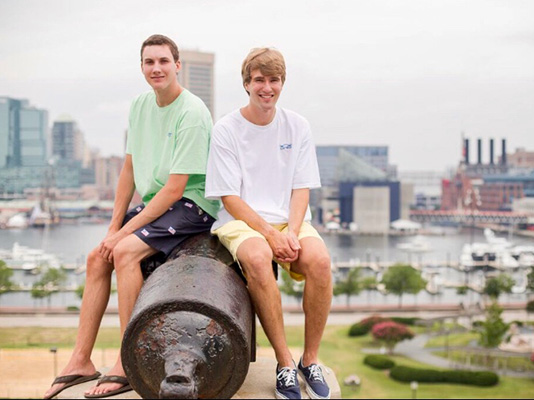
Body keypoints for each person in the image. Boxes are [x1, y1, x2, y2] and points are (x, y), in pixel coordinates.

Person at [43, 34, 218, 399]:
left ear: (177, 65)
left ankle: (127, 360)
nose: (156, 68)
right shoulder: (140, 105)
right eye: (149, 62)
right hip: (159, 202)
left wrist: (122, 236)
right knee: (98, 256)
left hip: (192, 204)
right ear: (141, 67)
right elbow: (128, 170)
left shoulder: (193, 112)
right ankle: (80, 360)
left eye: (163, 61)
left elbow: (175, 188)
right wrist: (112, 227)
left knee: (123, 252)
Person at [205, 47, 332, 400]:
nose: (267, 87)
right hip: (241, 221)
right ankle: (285, 364)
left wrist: (291, 232)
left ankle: (310, 360)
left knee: (320, 262)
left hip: (288, 220)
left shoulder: (297, 125)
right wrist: (269, 235)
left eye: (273, 80)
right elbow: (229, 197)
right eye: (259, 80)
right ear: (247, 83)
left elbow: (301, 187)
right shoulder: (227, 129)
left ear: (281, 83)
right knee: (260, 258)